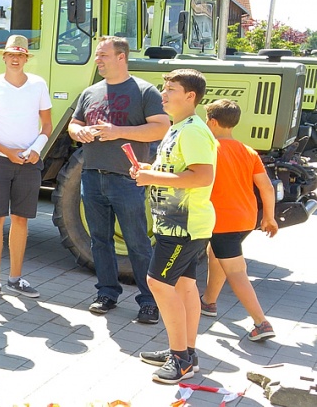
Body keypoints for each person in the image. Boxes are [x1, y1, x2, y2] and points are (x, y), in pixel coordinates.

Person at [68, 36, 169, 324]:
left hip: (126, 179)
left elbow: (160, 128)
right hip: (91, 176)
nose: (97, 60)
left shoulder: (144, 91)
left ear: (121, 57)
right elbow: (74, 124)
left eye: (102, 55)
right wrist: (80, 133)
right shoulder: (90, 92)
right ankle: (107, 293)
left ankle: (149, 301)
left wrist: (118, 131)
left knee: (137, 242)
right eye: (98, 56)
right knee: (99, 241)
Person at [134, 69, 217, 384]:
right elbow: (177, 168)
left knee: (157, 284)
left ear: (190, 96)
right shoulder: (178, 127)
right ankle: (185, 353)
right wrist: (150, 168)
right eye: (163, 88)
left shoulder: (193, 130)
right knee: (183, 287)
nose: (163, 94)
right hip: (178, 224)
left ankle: (180, 358)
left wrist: (152, 177)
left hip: (183, 227)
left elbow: (202, 176)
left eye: (170, 89)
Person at [0, 34, 52, 301]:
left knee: (21, 220)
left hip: (29, 163)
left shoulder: (39, 85)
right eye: (11, 55)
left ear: (26, 58)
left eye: (20, 55)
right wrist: (7, 152)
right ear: (4, 58)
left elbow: (47, 126)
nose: (16, 58)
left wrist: (36, 150)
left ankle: (15, 279)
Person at [199, 99, 279, 341]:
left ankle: (261, 323)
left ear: (212, 122)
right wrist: (269, 217)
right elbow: (266, 187)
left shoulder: (209, 149)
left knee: (235, 270)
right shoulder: (248, 151)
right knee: (217, 254)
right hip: (246, 218)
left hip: (222, 219)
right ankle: (209, 302)